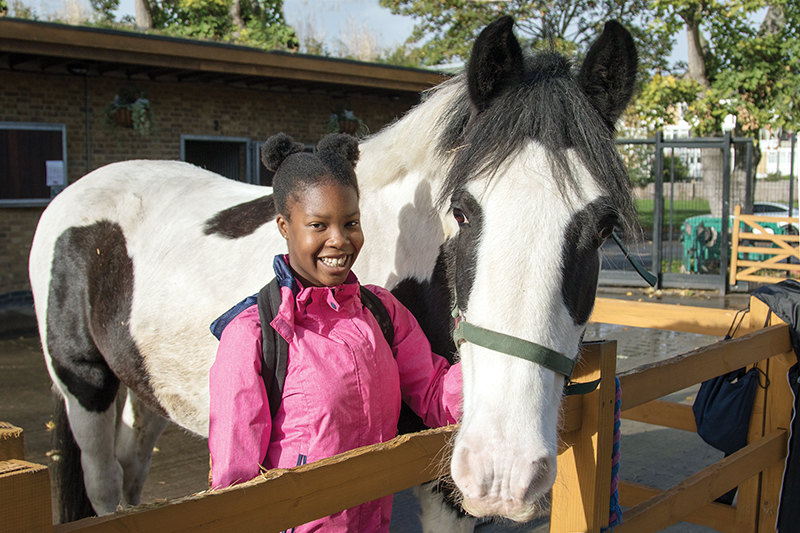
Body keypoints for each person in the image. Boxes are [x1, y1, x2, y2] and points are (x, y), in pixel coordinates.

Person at [208, 132, 462, 532]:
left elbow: (436, 395)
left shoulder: (381, 312)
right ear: (284, 226)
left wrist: (497, 359)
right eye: (318, 225)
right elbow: (234, 485)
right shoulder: (254, 336)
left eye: (350, 223)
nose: (339, 240)